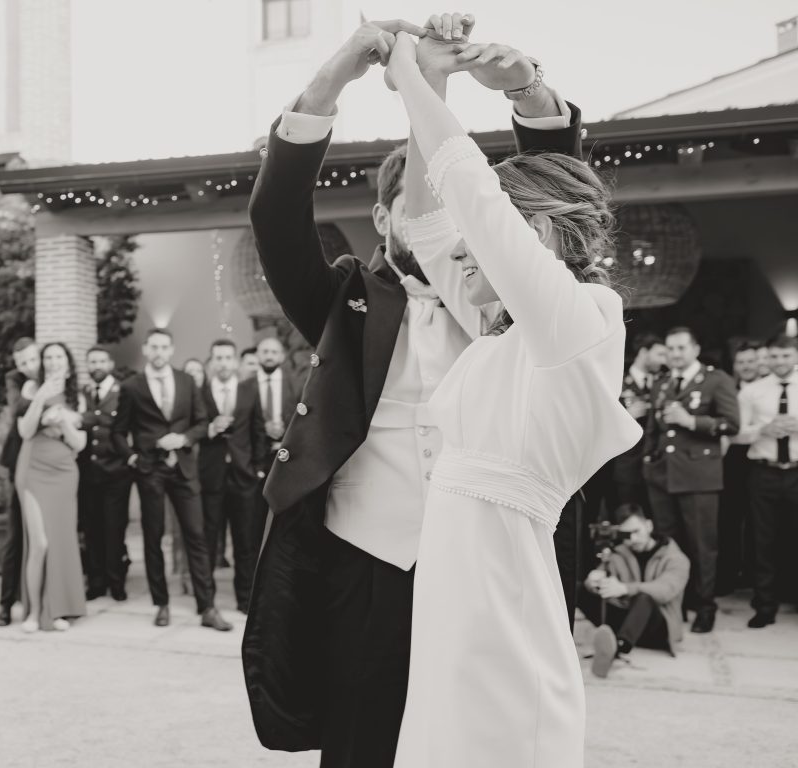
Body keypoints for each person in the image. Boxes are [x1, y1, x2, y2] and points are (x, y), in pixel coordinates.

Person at [242, 14, 588, 766]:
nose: (445, 219)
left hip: (484, 568)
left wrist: (526, 90)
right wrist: (335, 75)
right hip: (365, 566)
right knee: (364, 743)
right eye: (421, 202)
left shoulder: (509, 304)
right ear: (382, 218)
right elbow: (275, 217)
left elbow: (562, 203)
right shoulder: (339, 301)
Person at [384, 28, 641, 767]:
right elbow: (431, 228)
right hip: (450, 597)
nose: (461, 253)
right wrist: (433, 86)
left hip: (502, 601)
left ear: (531, 237)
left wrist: (406, 69)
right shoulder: (504, 336)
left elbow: (464, 188)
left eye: (484, 238)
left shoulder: (580, 324)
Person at [112, 328, 233, 631]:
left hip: (184, 468)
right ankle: (161, 604)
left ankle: (207, 607)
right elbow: (117, 432)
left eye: (164, 347)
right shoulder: (131, 387)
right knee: (153, 538)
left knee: (196, 536)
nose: (159, 352)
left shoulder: (186, 381)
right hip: (150, 470)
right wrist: (133, 458)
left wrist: (182, 438)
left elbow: (202, 423)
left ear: (171, 350)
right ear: (145, 349)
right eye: (153, 347)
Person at [642, 327, 739, 633]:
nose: (675, 354)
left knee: (701, 546)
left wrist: (691, 421)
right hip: (662, 477)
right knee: (670, 544)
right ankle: (676, 604)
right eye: (670, 349)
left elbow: (732, 425)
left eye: (681, 348)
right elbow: (652, 430)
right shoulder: (662, 382)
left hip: (698, 478)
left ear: (695, 349)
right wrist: (648, 462)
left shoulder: (716, 380)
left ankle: (704, 606)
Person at [15, 342, 88, 632]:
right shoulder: (32, 390)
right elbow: (25, 430)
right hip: (33, 468)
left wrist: (64, 422)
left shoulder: (77, 395)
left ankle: (57, 609)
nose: (54, 361)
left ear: (68, 364)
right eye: (48, 357)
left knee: (59, 542)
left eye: (59, 357)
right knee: (40, 543)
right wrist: (41, 401)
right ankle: (33, 612)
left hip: (65, 471)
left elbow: (79, 443)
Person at [198, 339, 267, 612]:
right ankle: (207, 600)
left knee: (245, 542)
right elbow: (193, 427)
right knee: (208, 540)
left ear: (236, 362)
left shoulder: (249, 391)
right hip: (211, 475)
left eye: (228, 358)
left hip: (243, 476)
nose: (223, 363)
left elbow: (258, 432)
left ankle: (245, 599)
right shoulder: (200, 392)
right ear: (212, 361)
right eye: (219, 358)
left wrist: (257, 468)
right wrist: (210, 428)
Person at [582, 504, 690, 678]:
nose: (633, 539)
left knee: (644, 598)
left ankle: (618, 645)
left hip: (660, 629)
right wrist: (593, 582)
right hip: (627, 618)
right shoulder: (617, 553)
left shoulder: (676, 558)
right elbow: (601, 581)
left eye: (637, 531)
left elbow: (665, 591)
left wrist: (624, 588)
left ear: (649, 525)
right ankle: (611, 640)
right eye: (626, 535)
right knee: (581, 591)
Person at [735, 333, 798, 628]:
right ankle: (764, 606)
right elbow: (737, 432)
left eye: (785, 356)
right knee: (763, 541)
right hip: (764, 472)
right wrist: (763, 429)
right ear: (767, 358)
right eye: (774, 356)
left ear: (795, 356)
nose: (780, 362)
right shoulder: (752, 392)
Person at [79, 345, 133, 601]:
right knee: (92, 529)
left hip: (116, 472)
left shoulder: (123, 391)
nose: (96, 366)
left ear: (110, 364)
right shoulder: (83, 392)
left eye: (101, 361)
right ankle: (96, 581)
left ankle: (116, 581)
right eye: (92, 362)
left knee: (114, 529)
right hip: (89, 472)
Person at [0, 338, 40, 626]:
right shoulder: (15, 380)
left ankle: (41, 600)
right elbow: (17, 409)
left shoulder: (54, 373)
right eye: (22, 363)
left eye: (32, 360)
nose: (28, 367)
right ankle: (5, 602)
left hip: (52, 463)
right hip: (21, 460)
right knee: (15, 534)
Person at [718, 339, 763, 594]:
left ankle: (755, 576)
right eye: (741, 362)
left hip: (760, 461)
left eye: (750, 361)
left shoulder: (770, 389)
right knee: (729, 519)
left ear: (758, 363)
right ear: (735, 366)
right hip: (733, 462)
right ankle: (728, 574)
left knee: (759, 522)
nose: (746, 366)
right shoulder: (727, 389)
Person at [252, 336, 300, 553]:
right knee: (255, 524)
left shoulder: (296, 384)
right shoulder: (246, 386)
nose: (269, 356)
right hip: (256, 463)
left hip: (288, 461)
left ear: (281, 356)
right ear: (257, 355)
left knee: (286, 524)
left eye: (274, 352)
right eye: (265, 351)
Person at [613, 333, 668, 515]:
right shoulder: (616, 382)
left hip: (658, 465)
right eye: (661, 354)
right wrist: (627, 416)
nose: (665, 360)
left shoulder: (666, 383)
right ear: (644, 352)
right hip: (626, 465)